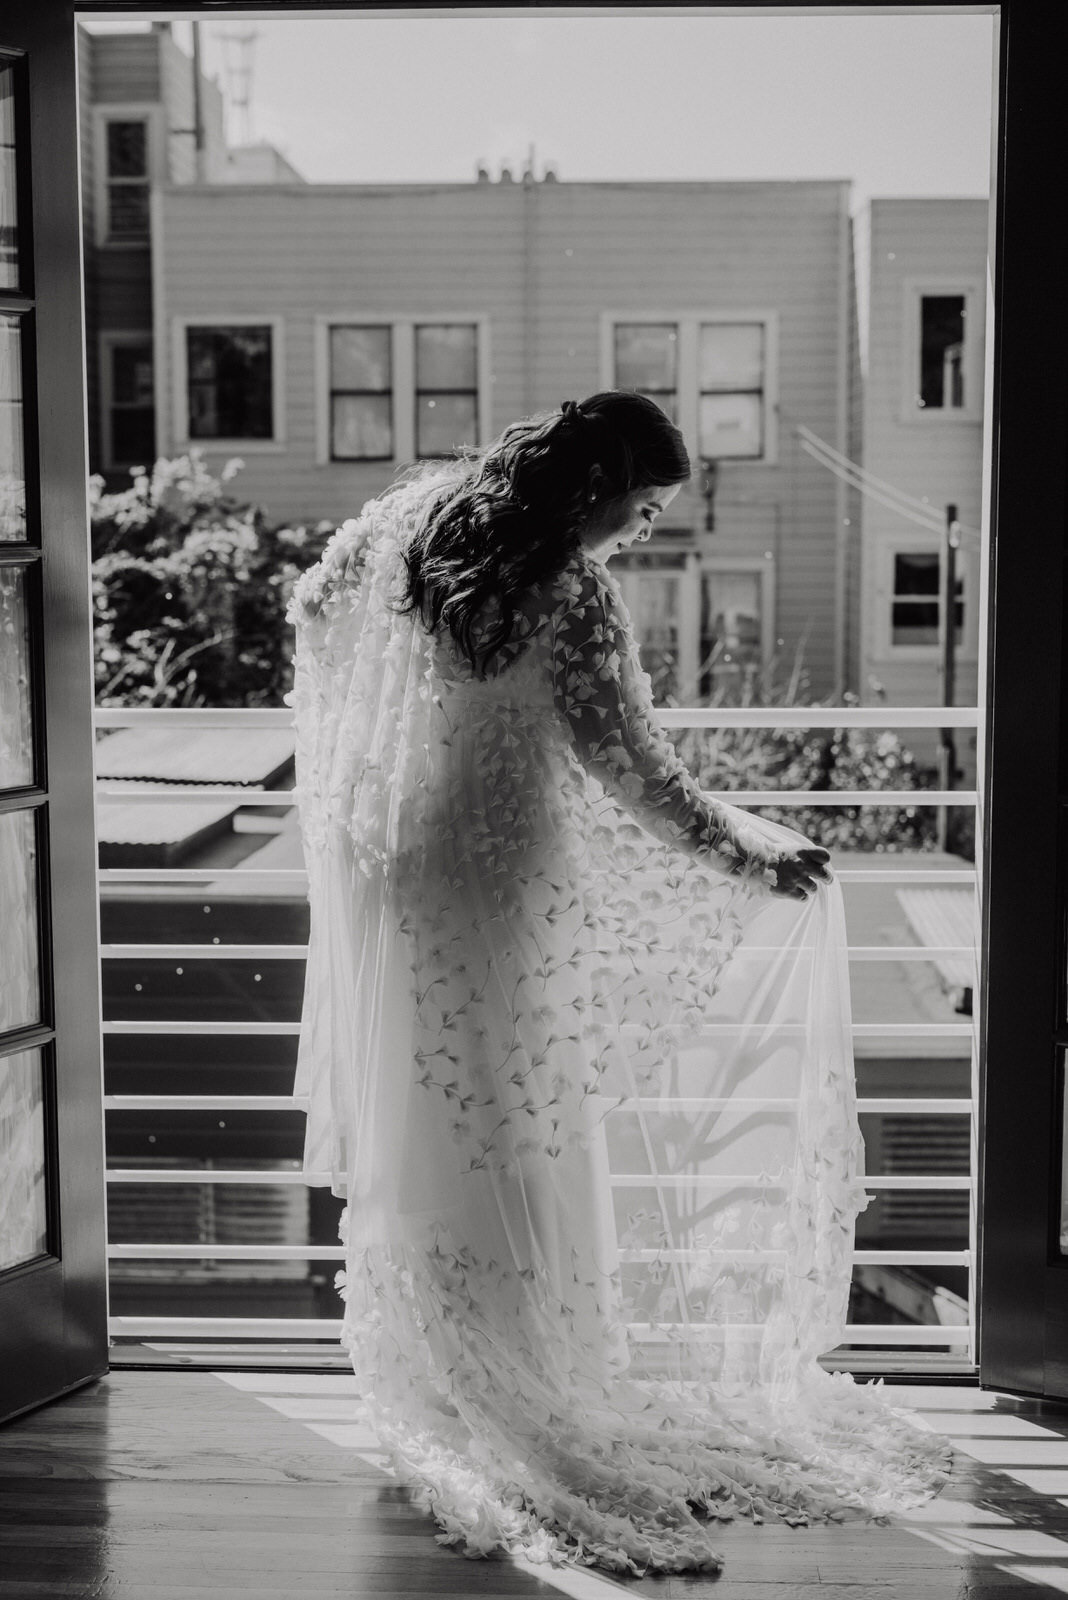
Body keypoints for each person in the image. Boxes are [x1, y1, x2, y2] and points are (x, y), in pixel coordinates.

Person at [286, 392, 949, 1577]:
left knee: (434, 1129)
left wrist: (358, 770)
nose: (637, 531)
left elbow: (308, 603)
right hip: (497, 888)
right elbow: (633, 770)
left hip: (401, 875)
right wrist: (749, 850)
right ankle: (520, 1376)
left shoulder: (418, 528)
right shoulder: (573, 591)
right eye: (638, 508)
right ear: (592, 487)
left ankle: (443, 1375)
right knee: (518, 1131)